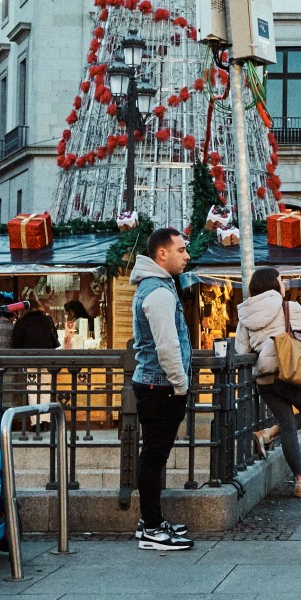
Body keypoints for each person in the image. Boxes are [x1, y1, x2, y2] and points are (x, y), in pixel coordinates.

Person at [128, 226, 194, 552]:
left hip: (154, 384)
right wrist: (180, 384)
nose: (187, 256)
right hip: (160, 386)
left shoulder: (157, 287)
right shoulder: (158, 292)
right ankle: (152, 529)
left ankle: (150, 521)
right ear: (162, 254)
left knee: (153, 456)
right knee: (154, 458)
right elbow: (166, 345)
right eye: (181, 250)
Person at [235, 266, 301, 498]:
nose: (284, 285)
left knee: (287, 424)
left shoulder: (245, 314)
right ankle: (270, 434)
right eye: (281, 280)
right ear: (273, 284)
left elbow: (241, 349)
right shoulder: (287, 307)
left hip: (264, 379)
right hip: (287, 373)